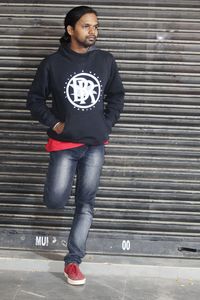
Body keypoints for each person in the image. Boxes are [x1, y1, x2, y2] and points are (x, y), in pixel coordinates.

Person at [27, 5, 124, 285]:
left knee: (86, 204)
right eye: (86, 26)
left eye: (96, 26)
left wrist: (106, 124)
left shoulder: (105, 61)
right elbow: (34, 100)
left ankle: (73, 262)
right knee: (56, 200)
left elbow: (117, 95)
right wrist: (55, 123)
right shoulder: (52, 64)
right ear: (70, 29)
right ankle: (57, 195)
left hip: (95, 144)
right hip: (63, 145)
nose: (93, 31)